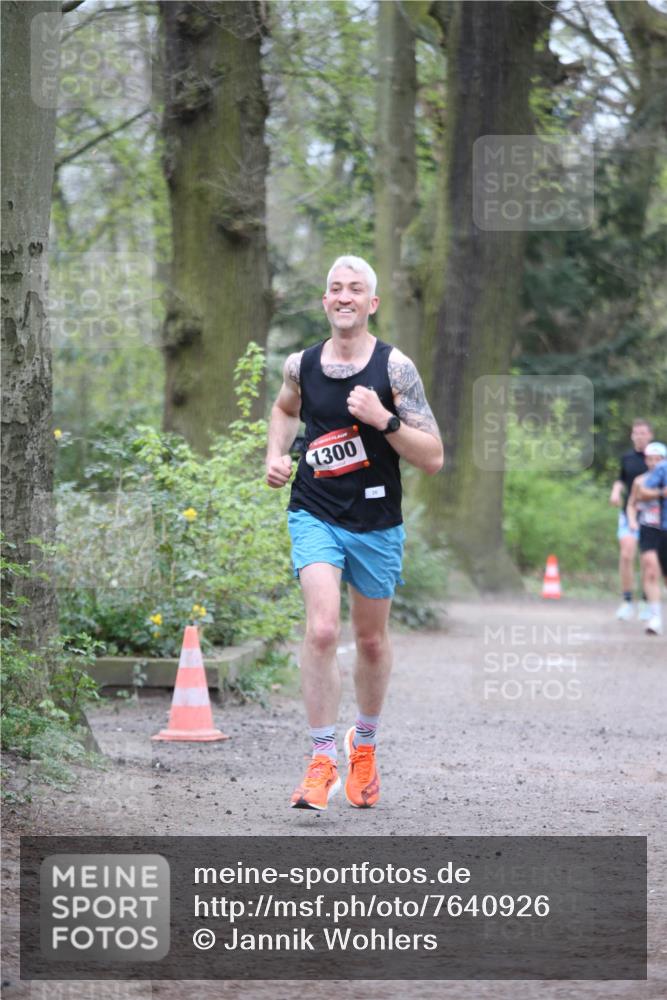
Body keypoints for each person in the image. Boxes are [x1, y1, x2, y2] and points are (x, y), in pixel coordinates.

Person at [266, 255, 443, 810]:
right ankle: (321, 761)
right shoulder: (301, 365)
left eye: (356, 289)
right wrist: (275, 455)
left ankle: (362, 745)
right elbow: (284, 410)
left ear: (372, 303)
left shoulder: (395, 369)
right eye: (336, 288)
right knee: (322, 630)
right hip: (314, 511)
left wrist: (383, 419)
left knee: (369, 640)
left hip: (376, 522)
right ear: (325, 302)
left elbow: (433, 457)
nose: (345, 296)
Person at [609, 419, 653, 620]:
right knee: (627, 554)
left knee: (647, 560)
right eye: (636, 433)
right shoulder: (627, 458)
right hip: (629, 512)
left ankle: (645, 600)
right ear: (632, 436)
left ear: (650, 435)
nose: (639, 437)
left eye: (643, 433)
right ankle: (627, 601)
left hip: (652, 516)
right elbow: (621, 479)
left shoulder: (658, 459)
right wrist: (615, 491)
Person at [626, 442, 667, 636]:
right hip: (648, 527)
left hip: (665, 530)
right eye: (650, 459)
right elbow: (632, 504)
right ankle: (655, 617)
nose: (653, 463)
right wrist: (632, 521)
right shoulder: (640, 481)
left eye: (657, 459)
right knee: (650, 569)